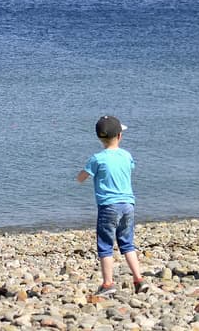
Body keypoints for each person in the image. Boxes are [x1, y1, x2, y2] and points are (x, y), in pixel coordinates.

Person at [76, 115, 146, 295]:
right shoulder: (126, 155)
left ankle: (108, 284)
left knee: (105, 244)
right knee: (127, 243)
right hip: (128, 204)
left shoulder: (97, 159)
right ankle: (138, 279)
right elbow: (130, 168)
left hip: (108, 206)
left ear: (99, 138)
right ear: (120, 136)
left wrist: (81, 175)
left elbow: (81, 178)